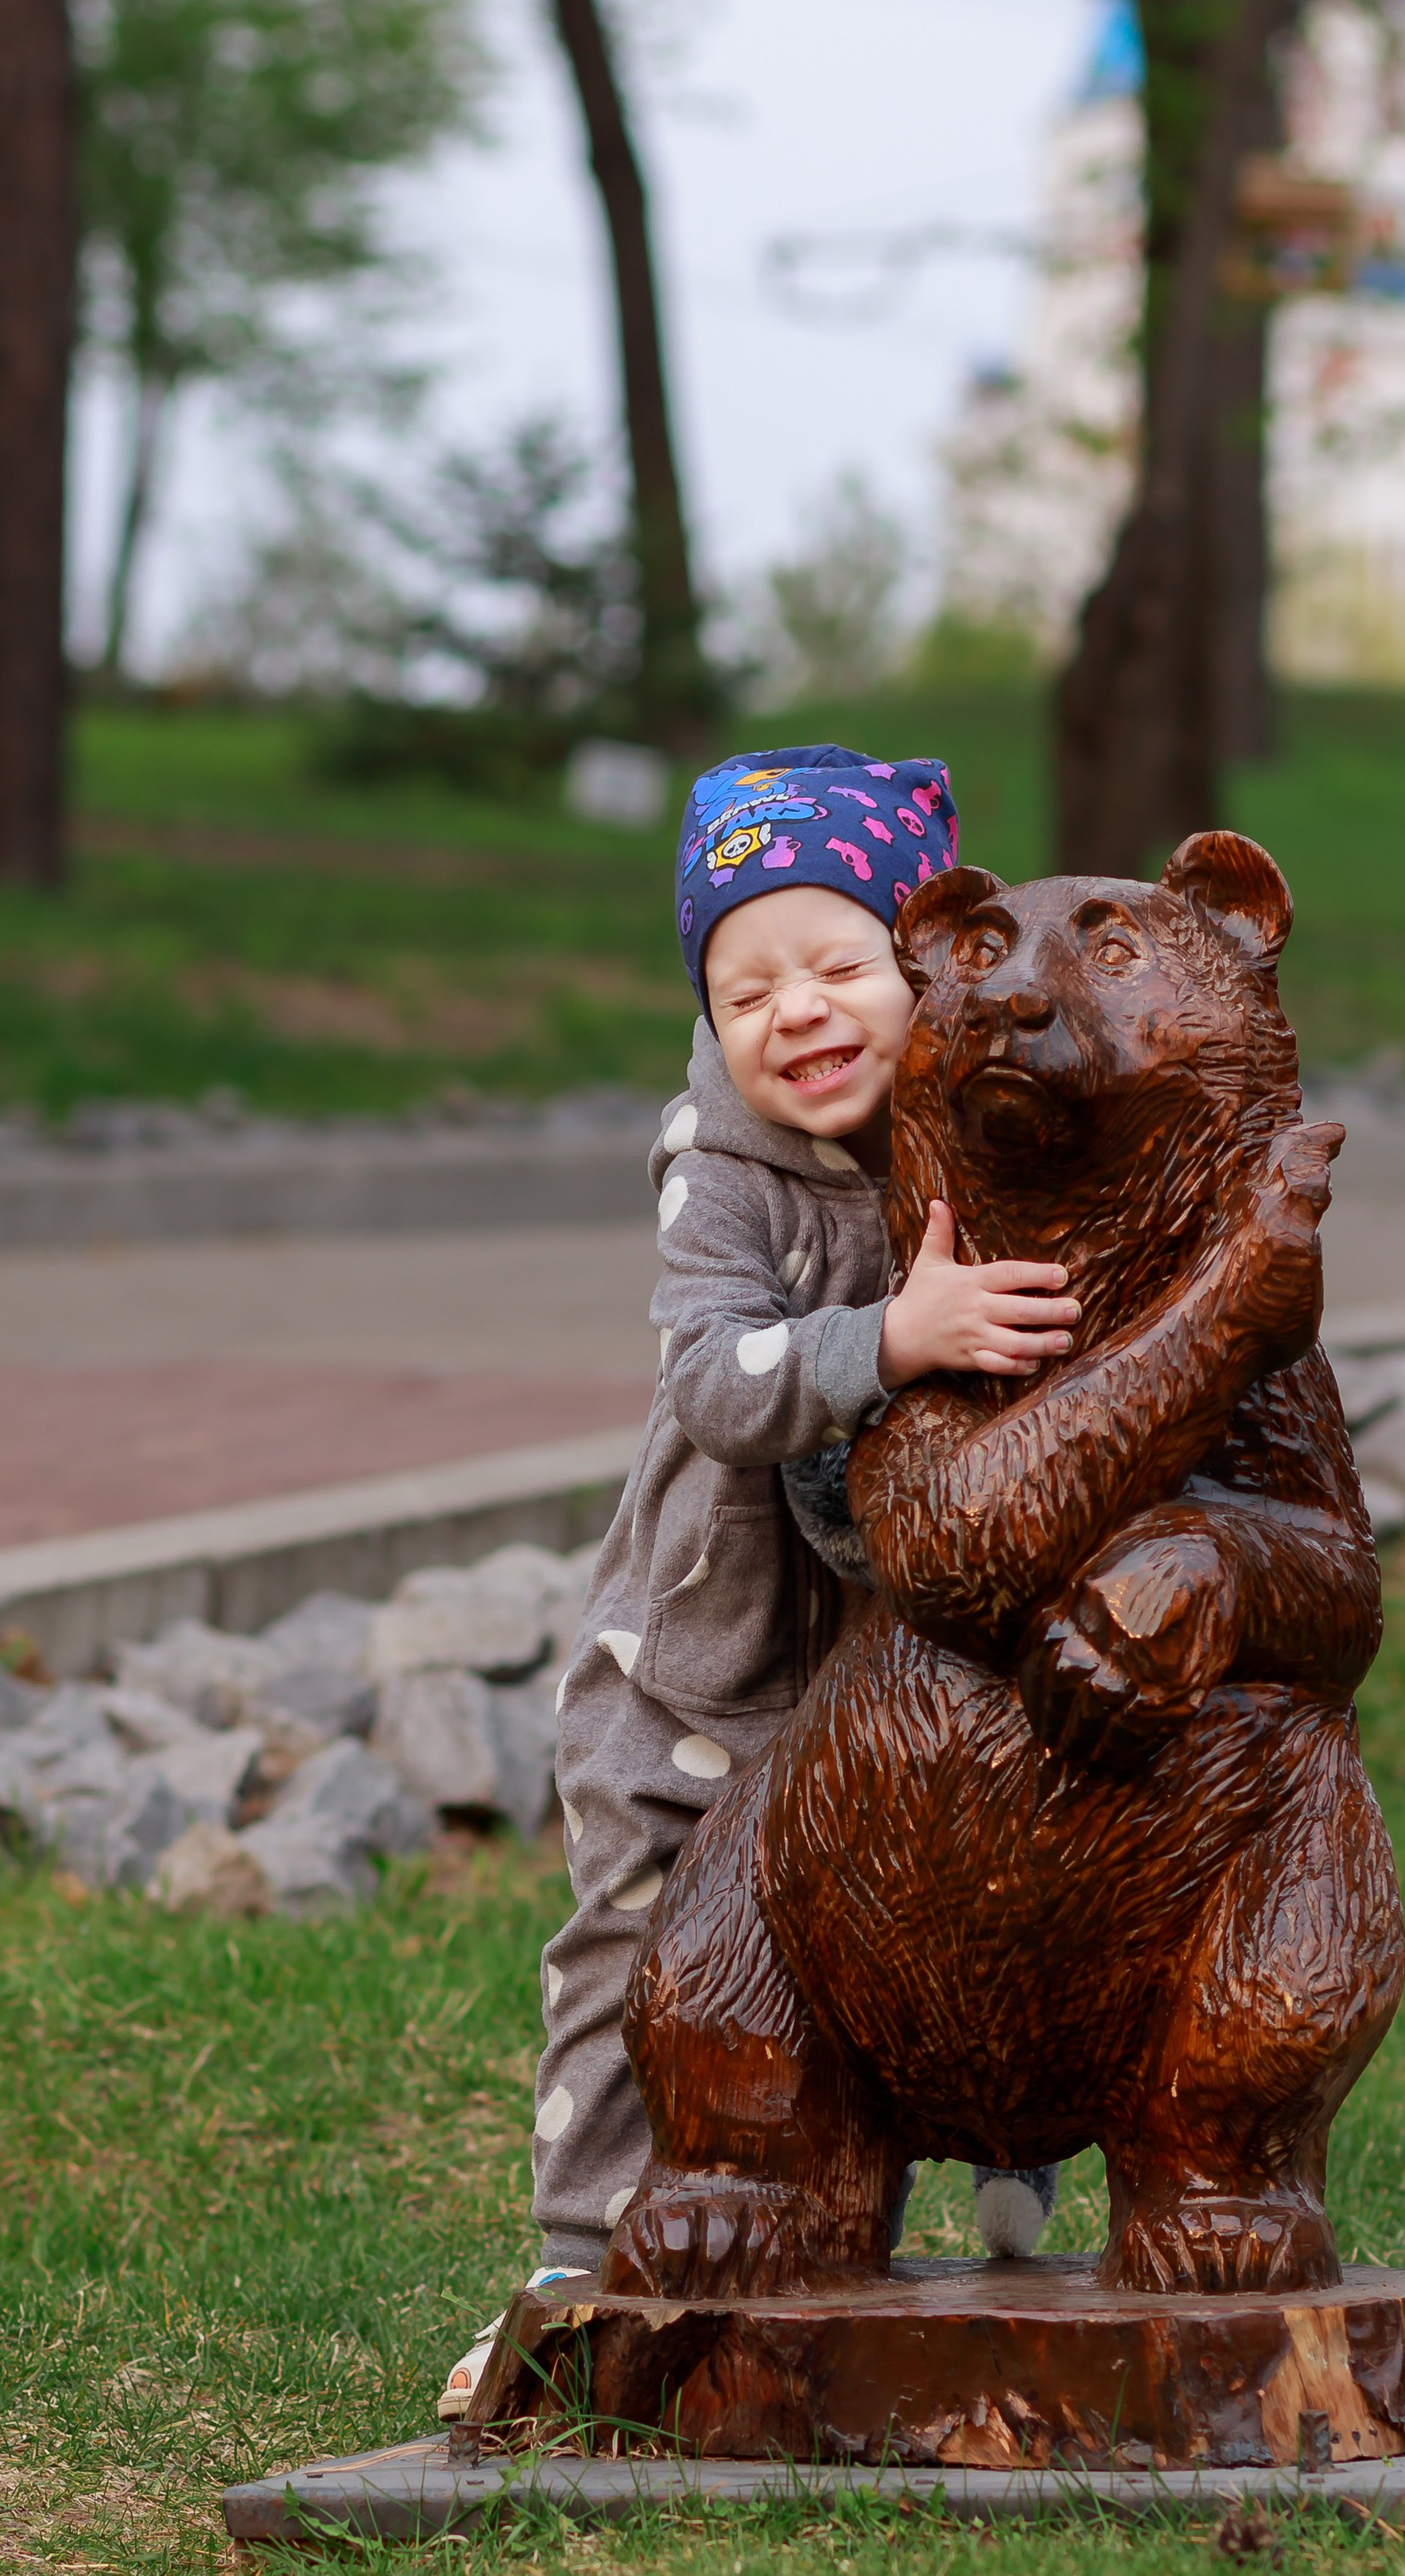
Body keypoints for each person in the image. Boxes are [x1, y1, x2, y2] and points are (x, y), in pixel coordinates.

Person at [439, 746, 1077, 2418]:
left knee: (961, 1899)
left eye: (835, 964)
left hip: (899, 1659)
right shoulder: (717, 1169)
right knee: (637, 1949)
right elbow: (720, 1383)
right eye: (744, 987)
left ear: (925, 968)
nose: (794, 1010)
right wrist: (893, 1337)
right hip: (700, 1666)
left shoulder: (991, 1130)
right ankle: (579, 2260)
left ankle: (1012, 2154)